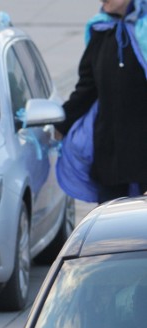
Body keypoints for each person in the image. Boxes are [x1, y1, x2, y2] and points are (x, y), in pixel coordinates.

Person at [55, 0, 147, 203]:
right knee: (112, 229)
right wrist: (62, 124)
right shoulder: (101, 31)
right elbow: (87, 88)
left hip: (143, 153)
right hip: (111, 156)